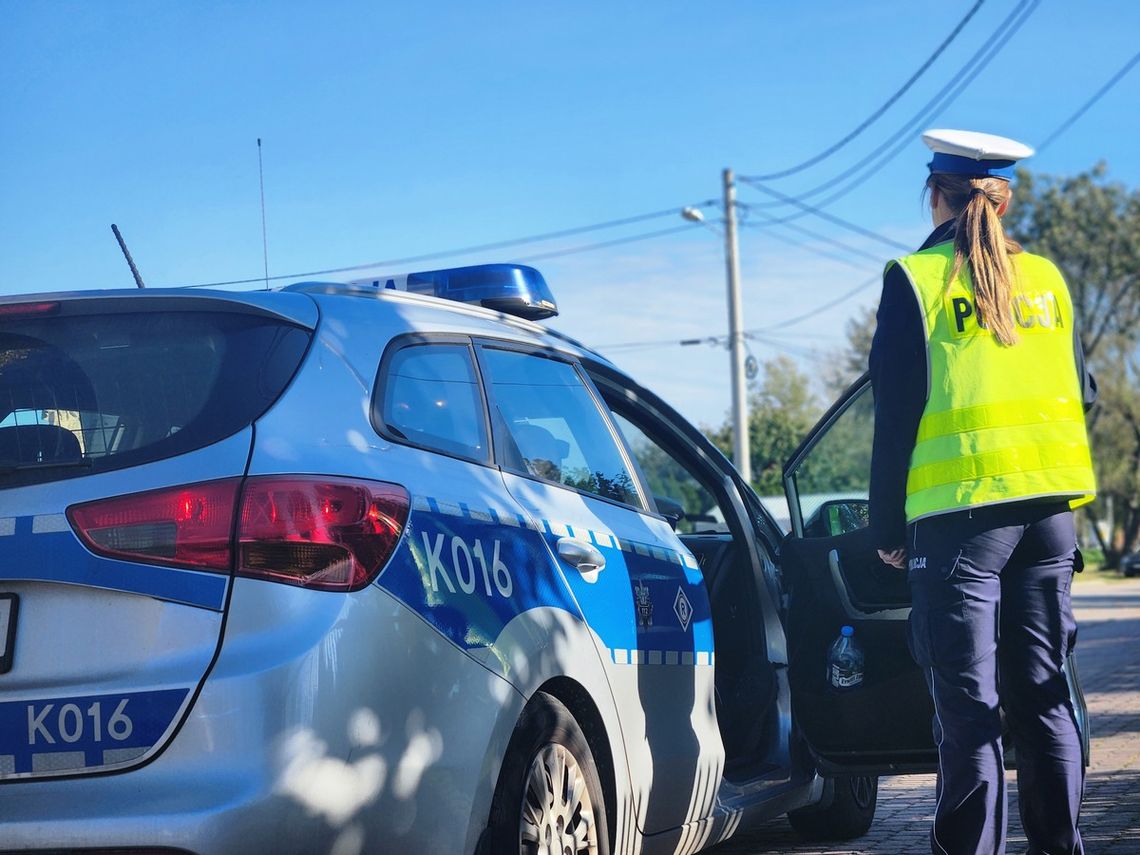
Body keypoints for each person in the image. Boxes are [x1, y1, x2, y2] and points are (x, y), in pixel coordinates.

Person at [868, 128, 1097, 855]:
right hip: (1050, 518)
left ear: (936, 194)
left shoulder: (916, 278)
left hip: (961, 523)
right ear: (1004, 199)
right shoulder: (1050, 282)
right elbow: (1082, 395)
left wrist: (886, 527)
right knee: (1045, 700)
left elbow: (895, 414)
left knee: (970, 716)